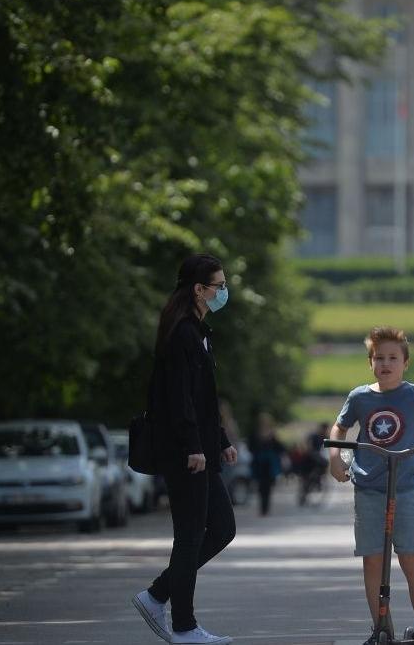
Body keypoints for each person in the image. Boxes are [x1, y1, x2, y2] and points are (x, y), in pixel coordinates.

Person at [328, 326, 414, 645]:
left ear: (405, 363)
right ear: (370, 362)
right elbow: (339, 429)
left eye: (393, 358)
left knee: (411, 557)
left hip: (406, 489)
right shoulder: (359, 397)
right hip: (369, 489)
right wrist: (335, 458)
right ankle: (380, 628)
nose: (386, 364)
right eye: (379, 358)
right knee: (372, 559)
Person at [132, 254, 237, 645]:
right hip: (186, 454)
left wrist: (221, 441)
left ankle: (158, 594)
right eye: (219, 285)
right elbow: (179, 401)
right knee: (191, 535)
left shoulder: (198, 331)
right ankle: (184, 626)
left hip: (203, 451)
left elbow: (204, 399)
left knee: (222, 528)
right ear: (199, 289)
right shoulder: (181, 334)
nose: (223, 292)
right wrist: (194, 447)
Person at [248, 412, 286, 516]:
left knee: (268, 487)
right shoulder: (255, 434)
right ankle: (263, 508)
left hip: (270, 465)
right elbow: (250, 447)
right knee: (261, 487)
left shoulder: (272, 434)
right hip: (259, 464)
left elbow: (280, 448)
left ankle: (266, 508)